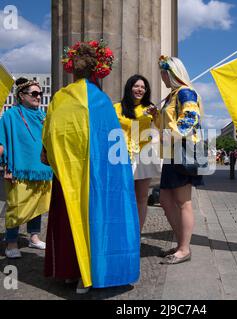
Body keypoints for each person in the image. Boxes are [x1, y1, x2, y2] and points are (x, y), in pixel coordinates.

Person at [42, 40, 140, 294]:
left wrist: (54, 157)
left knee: (68, 219)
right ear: (98, 71)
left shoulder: (60, 97)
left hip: (66, 174)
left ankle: (67, 272)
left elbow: (50, 134)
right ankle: (89, 275)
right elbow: (113, 141)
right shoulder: (101, 101)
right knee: (94, 218)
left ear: (71, 69)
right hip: (97, 175)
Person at [148, 56, 203, 264]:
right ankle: (182, 243)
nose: (162, 77)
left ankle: (184, 248)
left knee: (183, 202)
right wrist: (156, 115)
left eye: (164, 72)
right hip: (172, 153)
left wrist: (169, 135)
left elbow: (191, 119)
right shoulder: (173, 95)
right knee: (165, 200)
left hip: (182, 151)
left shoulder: (185, 92)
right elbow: (167, 124)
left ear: (172, 73)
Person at [0, 77, 53, 259]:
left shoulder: (43, 116)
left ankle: (34, 237)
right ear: (21, 96)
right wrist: (5, 164)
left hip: (42, 168)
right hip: (20, 169)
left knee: (36, 205)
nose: (39, 96)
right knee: (17, 205)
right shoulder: (10, 115)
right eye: (35, 93)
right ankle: (12, 242)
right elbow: (2, 141)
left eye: (40, 93)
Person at [114, 75, 161, 233]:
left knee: (141, 198)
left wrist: (156, 116)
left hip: (143, 156)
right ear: (129, 87)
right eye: (136, 86)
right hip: (120, 156)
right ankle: (122, 232)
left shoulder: (150, 108)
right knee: (123, 197)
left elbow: (161, 128)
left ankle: (136, 234)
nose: (140, 89)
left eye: (143, 87)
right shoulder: (117, 108)